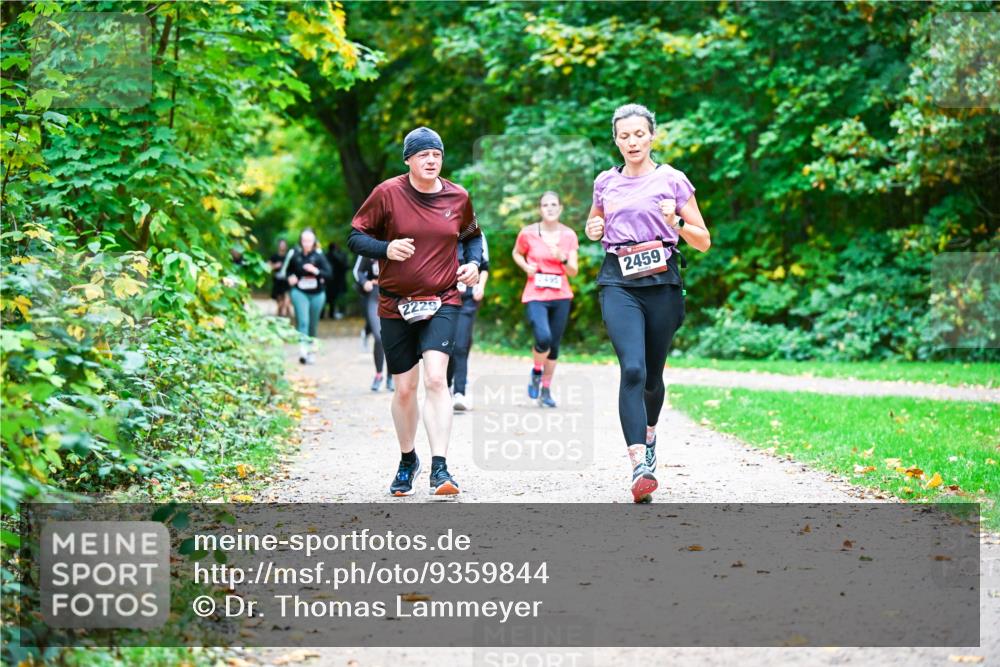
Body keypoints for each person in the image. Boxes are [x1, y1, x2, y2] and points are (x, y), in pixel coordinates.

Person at [585, 103, 711, 503]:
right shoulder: (605, 181)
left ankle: (650, 433)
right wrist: (592, 227)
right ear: (616, 140)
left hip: (662, 281)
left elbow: (703, 239)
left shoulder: (673, 179)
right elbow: (595, 224)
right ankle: (639, 464)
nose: (631, 142)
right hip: (617, 280)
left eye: (638, 134)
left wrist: (675, 223)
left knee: (653, 377)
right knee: (633, 369)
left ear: (651, 136)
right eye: (624, 136)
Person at [348, 127, 483, 497]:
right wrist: (385, 249)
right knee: (405, 388)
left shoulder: (458, 196)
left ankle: (441, 468)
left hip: (443, 299)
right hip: (395, 303)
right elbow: (356, 237)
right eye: (423, 155)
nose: (431, 160)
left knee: (437, 379)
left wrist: (473, 265)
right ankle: (408, 460)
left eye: (436, 155)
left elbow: (472, 237)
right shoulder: (387, 194)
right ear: (408, 160)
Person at [511, 192, 579, 408]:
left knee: (555, 346)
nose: (549, 208)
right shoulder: (528, 233)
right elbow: (516, 253)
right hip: (535, 294)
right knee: (543, 337)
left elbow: (574, 271)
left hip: (561, 295)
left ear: (560, 208)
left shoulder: (568, 235)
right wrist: (525, 267)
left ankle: (546, 390)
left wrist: (563, 257)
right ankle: (536, 372)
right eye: (545, 205)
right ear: (540, 209)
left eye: (553, 205)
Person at [447, 232, 490, 411]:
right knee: (445, 346)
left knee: (461, 345)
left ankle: (459, 393)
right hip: (443, 299)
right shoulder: (439, 227)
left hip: (467, 300)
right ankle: (445, 385)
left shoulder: (476, 234)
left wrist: (480, 286)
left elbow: (485, 266)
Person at [287, 228, 333, 364]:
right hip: (299, 292)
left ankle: (311, 351)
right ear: (301, 241)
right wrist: (290, 277)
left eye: (309, 241)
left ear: (314, 242)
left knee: (313, 325)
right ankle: (303, 351)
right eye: (304, 240)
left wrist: (316, 271)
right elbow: (288, 272)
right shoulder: (295, 256)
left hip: (317, 294)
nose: (307, 243)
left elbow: (329, 274)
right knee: (303, 322)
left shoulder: (319, 256)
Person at [353, 254, 394, 392]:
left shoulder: (397, 241)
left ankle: (391, 376)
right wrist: (364, 282)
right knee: (379, 336)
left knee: (393, 338)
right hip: (374, 295)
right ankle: (378, 375)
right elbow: (356, 270)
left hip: (393, 295)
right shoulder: (368, 245)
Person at [325, 241, 349, 319]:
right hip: (329, 281)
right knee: (329, 298)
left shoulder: (342, 255)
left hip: (340, 281)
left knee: (339, 297)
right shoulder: (326, 256)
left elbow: (346, 266)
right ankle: (327, 314)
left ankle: (340, 312)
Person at [269, 238, 292, 319]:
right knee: (279, 301)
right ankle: (281, 315)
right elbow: (267, 266)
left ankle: (284, 313)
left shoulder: (289, 257)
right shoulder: (274, 256)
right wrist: (275, 266)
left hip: (286, 281)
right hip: (277, 281)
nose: (282, 246)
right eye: (281, 245)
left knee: (286, 299)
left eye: (284, 245)